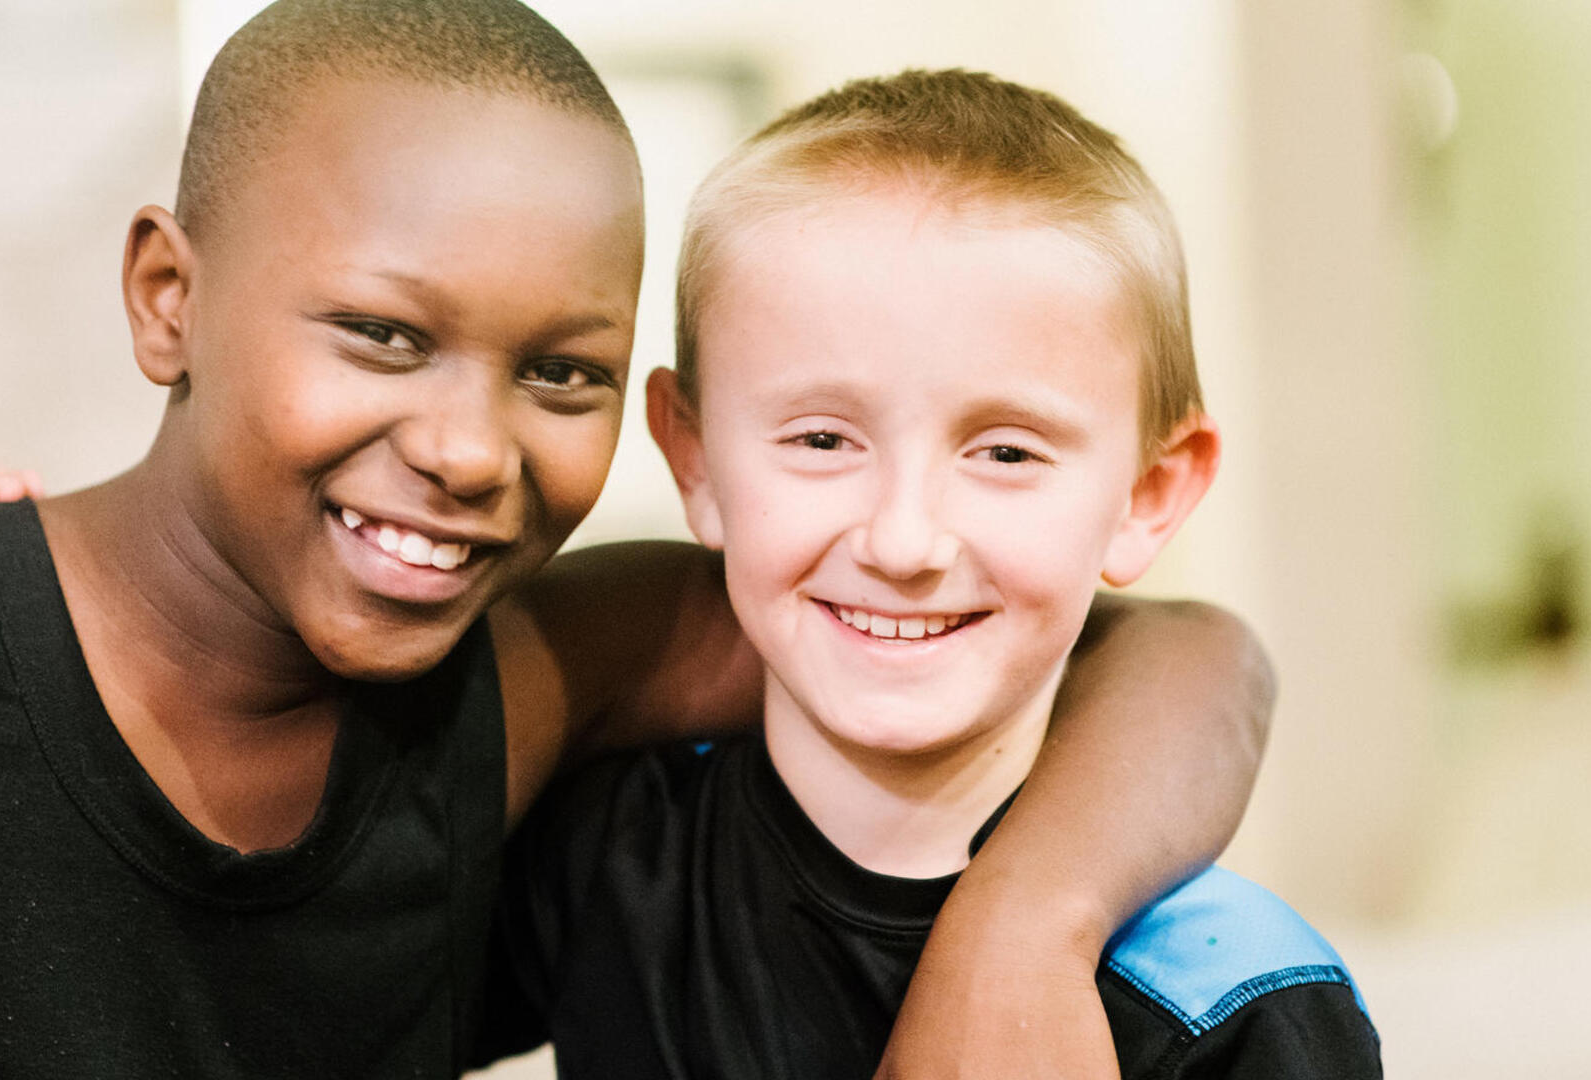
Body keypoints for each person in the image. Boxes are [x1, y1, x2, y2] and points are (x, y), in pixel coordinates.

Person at [0, 4, 1272, 1077]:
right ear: (167, 299)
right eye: (385, 335)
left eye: (561, 374)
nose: (470, 450)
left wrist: (1021, 926)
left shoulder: (515, 683)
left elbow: (1177, 652)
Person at [477, 69, 1381, 1079]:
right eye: (822, 439)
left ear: (1148, 494)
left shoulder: (1242, 1004)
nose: (904, 542)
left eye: (1005, 453)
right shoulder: (599, 859)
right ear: (695, 460)